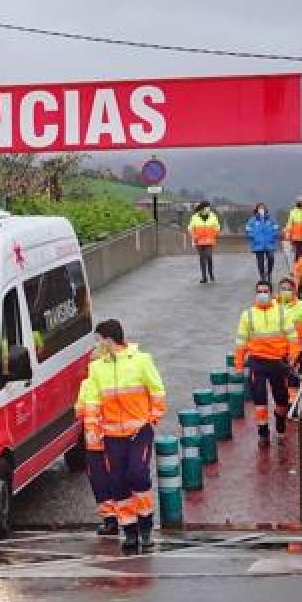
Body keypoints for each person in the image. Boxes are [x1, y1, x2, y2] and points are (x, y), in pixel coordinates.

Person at [76, 320, 166, 552]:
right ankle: (130, 530)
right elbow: (93, 402)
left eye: (99, 340)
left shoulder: (141, 361)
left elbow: (157, 389)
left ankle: (146, 526)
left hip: (139, 431)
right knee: (118, 483)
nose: (97, 345)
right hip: (112, 435)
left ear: (108, 339)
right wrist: (95, 433)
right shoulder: (97, 368)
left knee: (137, 475)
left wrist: (152, 418)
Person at [234, 282, 301, 446]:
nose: (262, 294)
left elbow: (292, 338)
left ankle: (280, 424)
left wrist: (293, 358)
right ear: (255, 294)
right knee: (260, 399)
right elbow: (240, 342)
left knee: (282, 401)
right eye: (259, 291)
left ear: (271, 293)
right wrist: (239, 365)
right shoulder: (247, 315)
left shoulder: (281, 312)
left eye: (265, 291)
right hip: (257, 362)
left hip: (278, 362)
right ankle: (263, 433)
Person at [77, 376, 118, 537]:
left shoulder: (86, 384)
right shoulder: (116, 382)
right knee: (119, 478)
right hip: (115, 438)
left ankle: (110, 520)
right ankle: (127, 519)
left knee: (99, 481)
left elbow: (79, 412)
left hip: (94, 443)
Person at [279, 278, 302, 406]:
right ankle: (282, 404)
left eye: (289, 289)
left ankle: (293, 405)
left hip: (295, 350)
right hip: (276, 351)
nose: (286, 292)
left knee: (293, 379)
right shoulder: (274, 305)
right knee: (279, 380)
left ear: (295, 290)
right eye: (283, 289)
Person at [245, 202, 281, 282]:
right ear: (257, 210)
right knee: (260, 261)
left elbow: (276, 228)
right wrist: (253, 237)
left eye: (263, 208)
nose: (261, 210)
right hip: (258, 244)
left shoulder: (271, 219)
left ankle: (269, 273)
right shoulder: (252, 220)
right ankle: (262, 276)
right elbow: (248, 230)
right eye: (260, 208)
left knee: (271, 258)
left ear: (265, 209)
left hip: (269, 243)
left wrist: (273, 236)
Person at [187, 201, 221, 283]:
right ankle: (204, 277)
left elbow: (217, 227)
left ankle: (211, 273)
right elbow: (190, 228)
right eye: (207, 207)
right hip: (199, 241)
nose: (208, 208)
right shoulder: (195, 217)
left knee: (208, 256)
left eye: (209, 207)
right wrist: (193, 235)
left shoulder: (213, 216)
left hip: (209, 241)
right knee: (202, 258)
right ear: (203, 208)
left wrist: (215, 233)